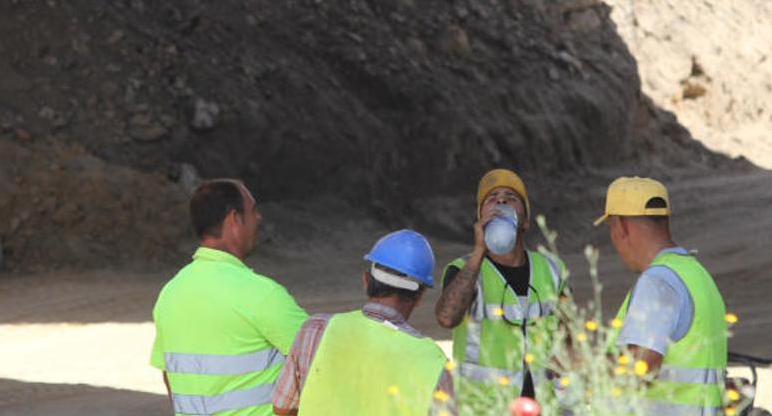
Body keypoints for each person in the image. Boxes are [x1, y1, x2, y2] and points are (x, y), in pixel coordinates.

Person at [150, 178, 308, 416]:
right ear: (234, 219)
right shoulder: (262, 294)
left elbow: (170, 377)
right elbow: (320, 361)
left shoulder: (170, 293)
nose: (258, 218)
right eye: (253, 210)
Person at [272, 230, 454, 416]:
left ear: (366, 281)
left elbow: (283, 407)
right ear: (419, 297)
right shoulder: (434, 362)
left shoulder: (315, 330)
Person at [434, 168, 568, 409]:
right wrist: (478, 252)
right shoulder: (463, 269)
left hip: (542, 407)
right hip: (483, 408)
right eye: (491, 198)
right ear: (479, 218)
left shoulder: (551, 269)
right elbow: (446, 317)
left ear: (525, 222)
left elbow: (569, 333)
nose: (501, 200)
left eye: (511, 197)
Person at [594, 176, 727, 415]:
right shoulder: (696, 274)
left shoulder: (657, 283)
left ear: (622, 227)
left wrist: (583, 370)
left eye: (611, 228)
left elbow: (639, 369)